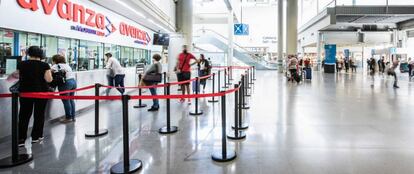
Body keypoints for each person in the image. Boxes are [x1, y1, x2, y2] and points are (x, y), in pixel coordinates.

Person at [8, 46, 53, 146]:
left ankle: (21, 139)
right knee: (39, 115)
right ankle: (36, 137)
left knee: (24, 115)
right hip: (41, 92)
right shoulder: (45, 65)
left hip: (25, 92)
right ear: (41, 54)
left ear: (29, 53)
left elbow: (16, 76)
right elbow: (49, 79)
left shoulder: (21, 64)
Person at [51, 54, 77, 123]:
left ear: (55, 60)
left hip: (66, 83)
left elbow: (48, 72)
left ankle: (68, 118)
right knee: (71, 100)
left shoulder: (55, 66)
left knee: (66, 101)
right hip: (73, 82)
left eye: (53, 60)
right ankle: (73, 117)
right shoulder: (67, 65)